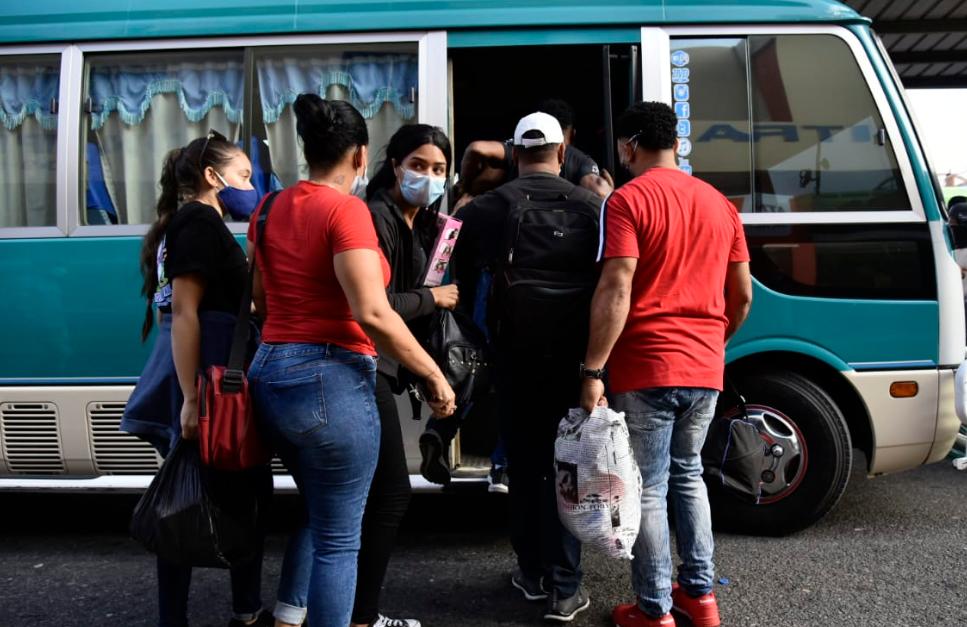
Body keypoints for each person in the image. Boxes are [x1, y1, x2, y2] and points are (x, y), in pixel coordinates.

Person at [246, 94, 456, 627]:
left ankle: (289, 615)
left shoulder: (270, 208)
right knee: (342, 538)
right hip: (330, 378)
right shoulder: (346, 212)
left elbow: (262, 302)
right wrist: (433, 375)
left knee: (322, 508)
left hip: (269, 374)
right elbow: (373, 313)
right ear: (362, 157)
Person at [579, 101, 753, 627]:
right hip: (705, 366)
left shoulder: (627, 200)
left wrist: (592, 370)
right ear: (675, 143)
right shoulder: (720, 204)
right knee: (690, 476)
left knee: (649, 487)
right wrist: (710, 342)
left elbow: (616, 286)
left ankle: (654, 609)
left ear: (630, 145)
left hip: (647, 365)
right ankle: (700, 597)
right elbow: (741, 296)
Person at [453, 111, 604, 622]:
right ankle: (566, 588)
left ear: (515, 153)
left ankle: (531, 573)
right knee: (569, 467)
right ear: (562, 153)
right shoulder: (595, 207)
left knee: (524, 465)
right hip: (576, 365)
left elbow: (449, 282)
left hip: (512, 358)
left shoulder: (484, 210)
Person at [121, 130, 273, 627]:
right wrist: (190, 400)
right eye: (245, 176)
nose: (251, 186)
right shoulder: (198, 224)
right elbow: (185, 315)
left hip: (212, 381)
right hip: (209, 387)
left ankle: (237, 609)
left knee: (220, 492)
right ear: (213, 177)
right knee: (205, 496)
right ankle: (227, 613)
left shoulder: (200, 224)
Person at [341, 123, 458, 627]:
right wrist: (434, 298)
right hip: (361, 364)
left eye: (438, 170)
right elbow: (380, 306)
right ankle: (360, 615)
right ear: (393, 165)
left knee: (348, 504)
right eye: (419, 166)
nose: (428, 177)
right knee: (386, 495)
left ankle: (315, 609)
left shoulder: (425, 223)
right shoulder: (375, 218)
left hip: (381, 367)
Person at [456, 98, 613, 207]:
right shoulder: (582, 161)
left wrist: (463, 188)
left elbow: (476, 148)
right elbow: (600, 191)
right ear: (563, 149)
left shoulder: (517, 148)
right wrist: (614, 198)